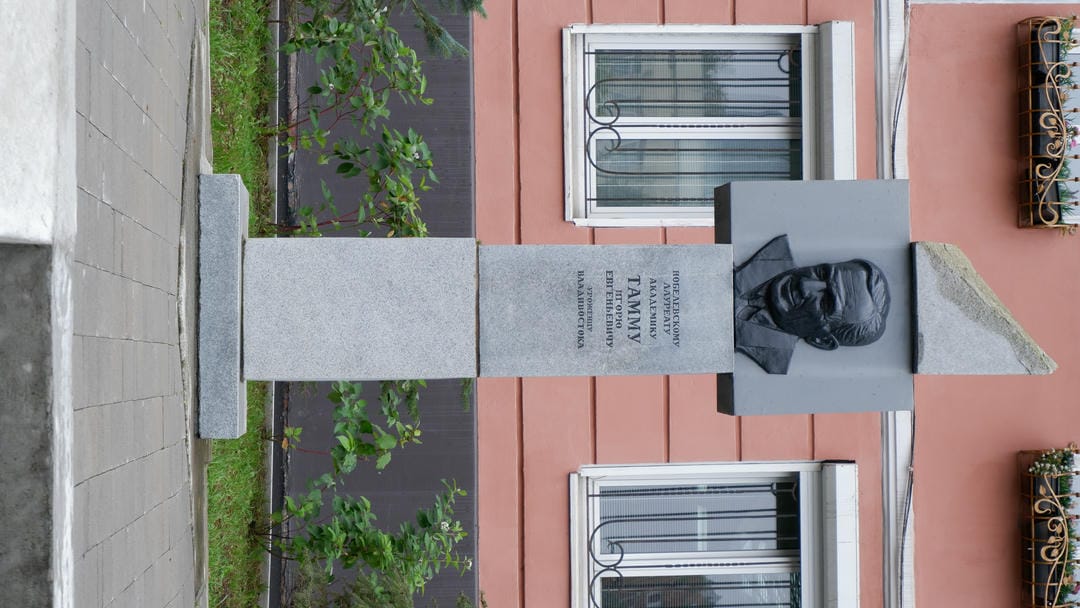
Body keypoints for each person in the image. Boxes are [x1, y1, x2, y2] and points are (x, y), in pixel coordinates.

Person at [734, 235, 891, 374]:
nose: (805, 284)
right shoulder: (772, 254)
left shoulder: (770, 355)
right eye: (822, 273)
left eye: (825, 302)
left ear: (821, 340)